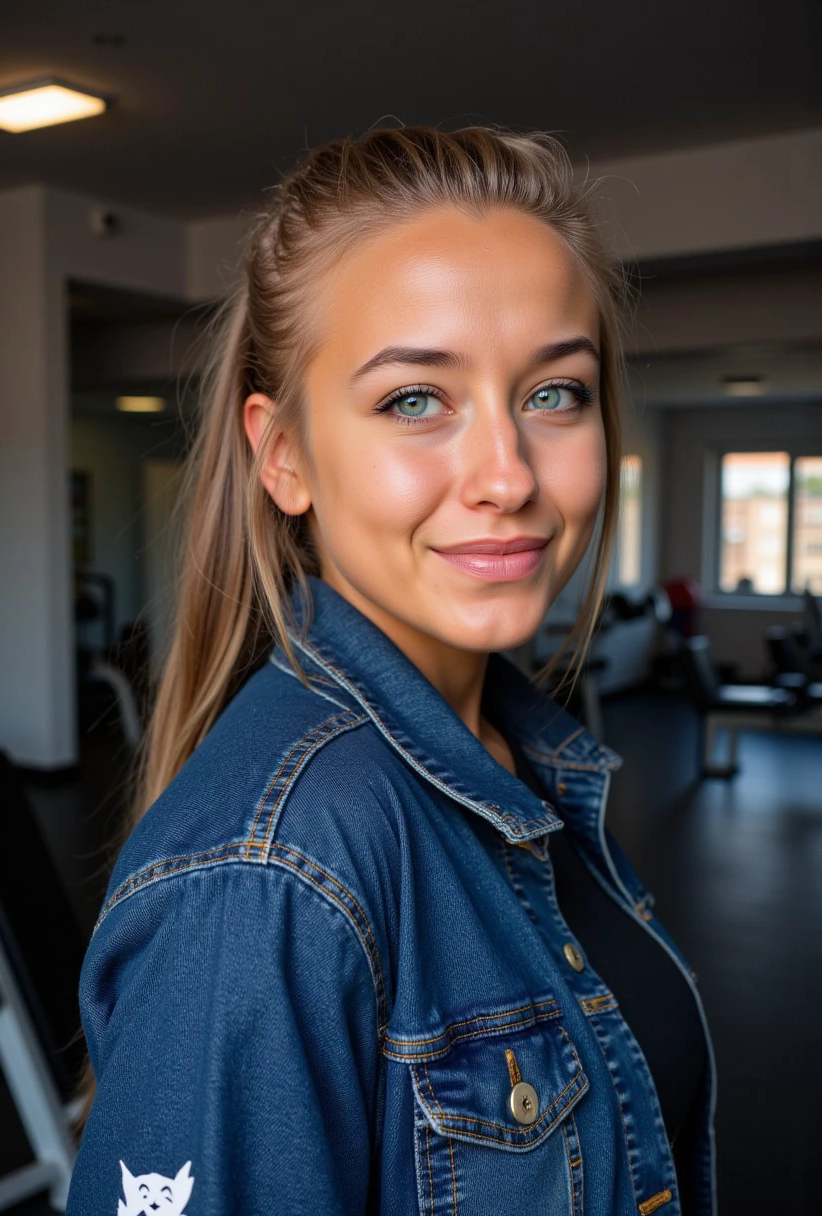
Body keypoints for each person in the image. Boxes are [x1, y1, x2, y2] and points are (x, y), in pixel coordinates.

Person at [67, 126, 716, 1216]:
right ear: (283, 455)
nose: (507, 475)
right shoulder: (267, 879)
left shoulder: (527, 762)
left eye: (554, 392)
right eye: (416, 399)